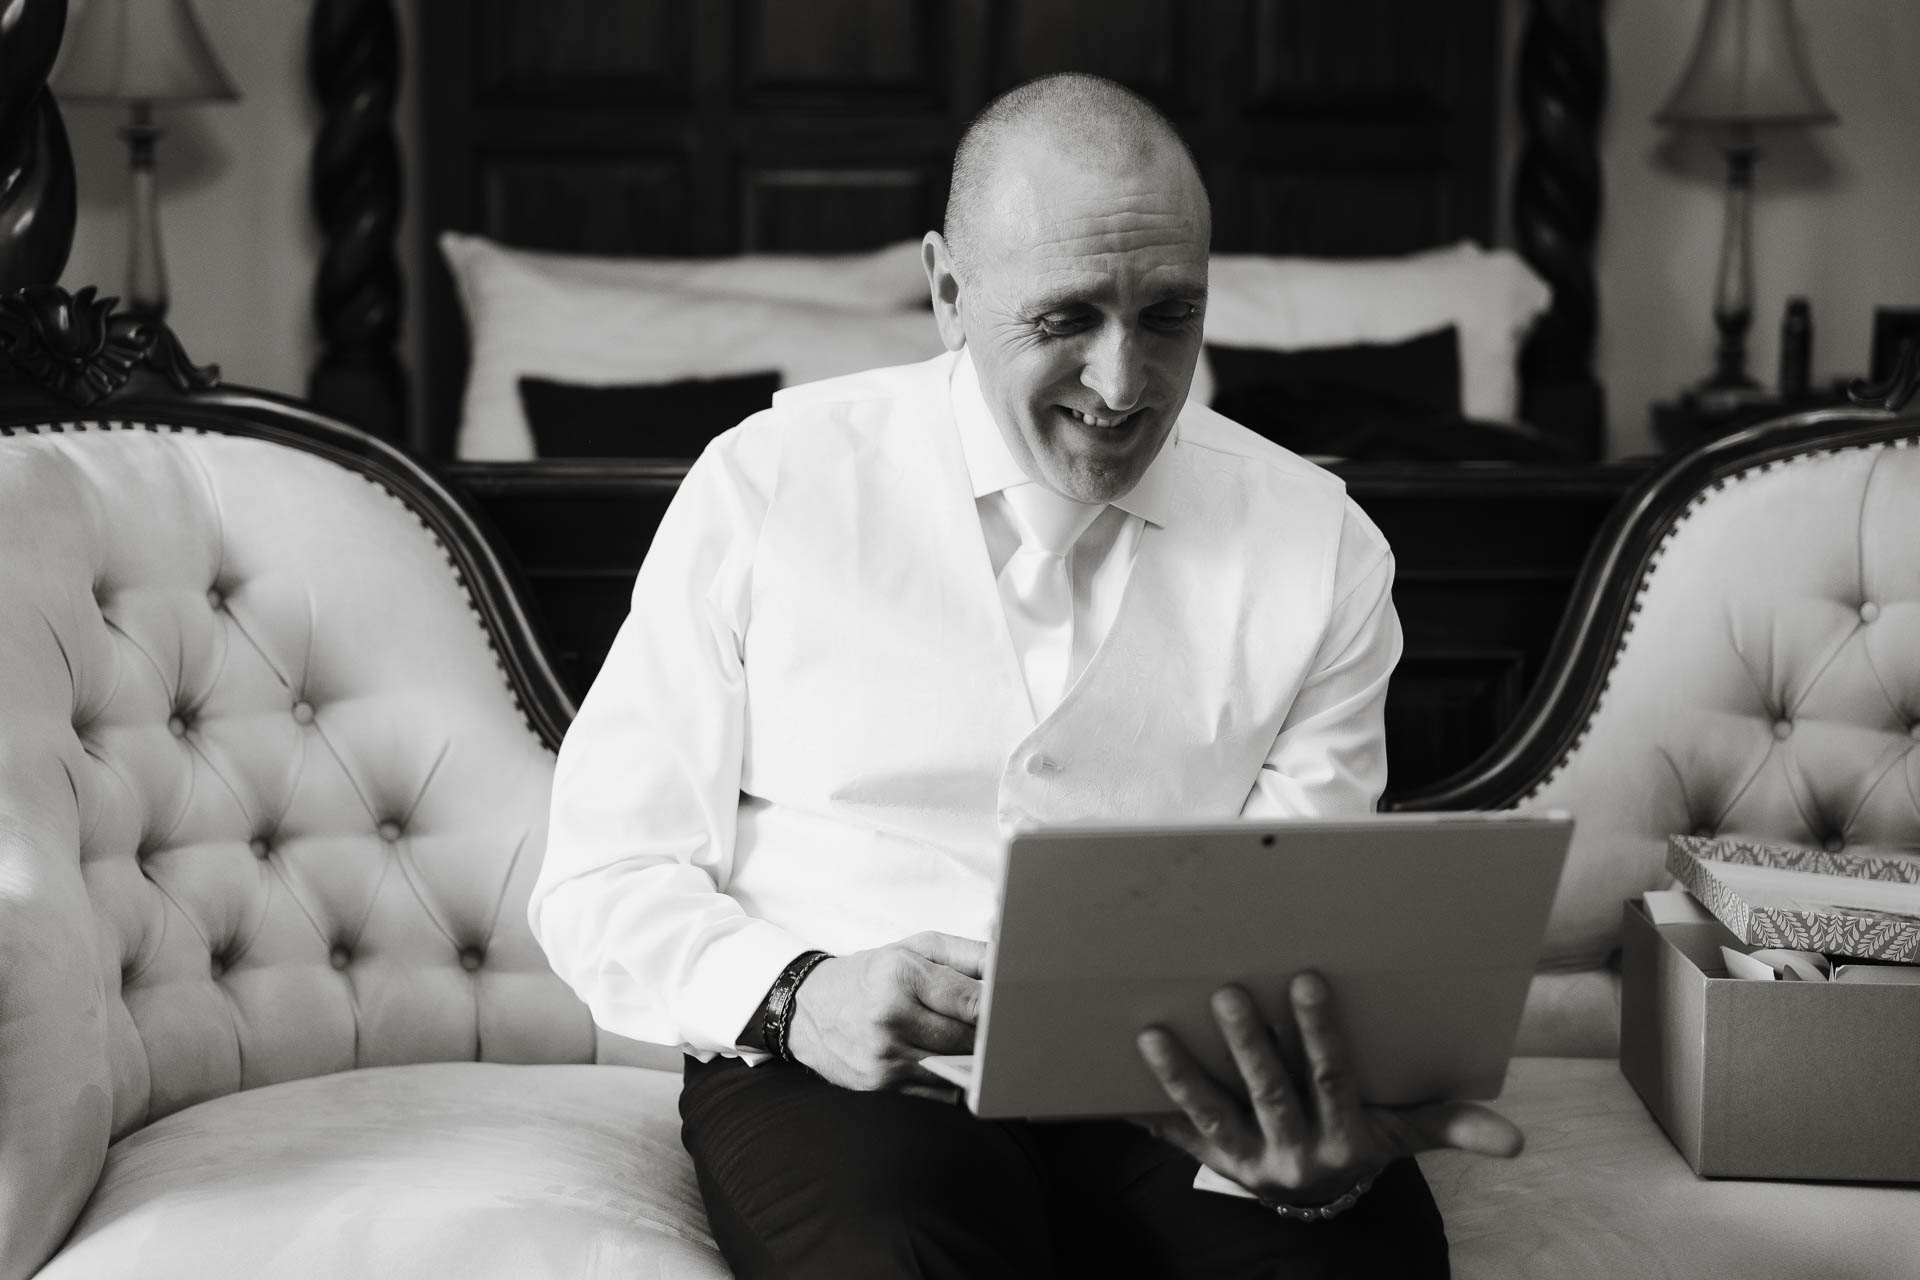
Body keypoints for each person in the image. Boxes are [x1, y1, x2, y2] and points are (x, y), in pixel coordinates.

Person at [529, 71, 1521, 1278]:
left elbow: (1297, 931)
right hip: (838, 1069)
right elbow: (603, 872)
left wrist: (1319, 1153)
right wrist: (795, 995)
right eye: (1065, 320)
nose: (1123, 384)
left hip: (1181, 1079)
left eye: (1170, 315)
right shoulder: (766, 483)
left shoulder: (1325, 547)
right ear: (949, 291)